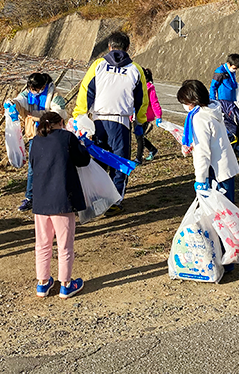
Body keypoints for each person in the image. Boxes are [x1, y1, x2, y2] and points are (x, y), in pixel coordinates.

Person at [73, 31, 149, 216]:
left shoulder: (98, 65)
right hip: (120, 121)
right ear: (128, 48)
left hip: (98, 120)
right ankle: (115, 199)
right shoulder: (136, 69)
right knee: (120, 162)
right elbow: (142, 100)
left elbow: (86, 91)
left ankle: (97, 199)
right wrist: (140, 121)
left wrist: (79, 116)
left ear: (109, 47)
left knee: (98, 162)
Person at [177, 79, 239, 273]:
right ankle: (228, 254)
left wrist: (200, 180)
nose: (184, 106)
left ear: (192, 100)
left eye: (184, 102)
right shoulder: (212, 109)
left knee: (219, 217)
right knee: (225, 214)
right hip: (225, 169)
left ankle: (225, 259)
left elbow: (203, 154)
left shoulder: (199, 119)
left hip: (216, 173)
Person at [30, 111, 90, 299]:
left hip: (40, 199)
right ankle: (65, 284)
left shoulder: (35, 141)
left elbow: (32, 164)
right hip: (63, 198)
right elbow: (83, 160)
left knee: (42, 243)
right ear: (61, 123)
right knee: (64, 244)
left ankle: (43, 282)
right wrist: (82, 144)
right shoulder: (67, 137)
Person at [11, 72, 69, 212]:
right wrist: (11, 103)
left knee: (54, 165)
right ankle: (30, 197)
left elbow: (59, 113)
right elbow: (19, 100)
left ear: (42, 86)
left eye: (34, 89)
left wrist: (38, 117)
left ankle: (53, 195)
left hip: (52, 134)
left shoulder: (54, 95)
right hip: (34, 135)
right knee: (32, 167)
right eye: (30, 89)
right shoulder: (28, 93)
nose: (32, 92)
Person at [210, 53, 239, 157]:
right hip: (223, 102)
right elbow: (213, 86)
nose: (235, 70)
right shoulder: (220, 72)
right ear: (228, 64)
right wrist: (213, 102)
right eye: (234, 68)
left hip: (233, 101)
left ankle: (237, 147)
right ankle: (231, 150)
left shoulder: (231, 71)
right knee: (230, 126)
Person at [136, 67, 163, 163]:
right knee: (139, 136)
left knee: (139, 137)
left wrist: (158, 115)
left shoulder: (149, 88)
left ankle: (138, 158)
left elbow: (154, 102)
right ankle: (152, 149)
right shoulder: (137, 86)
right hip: (137, 115)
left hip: (145, 116)